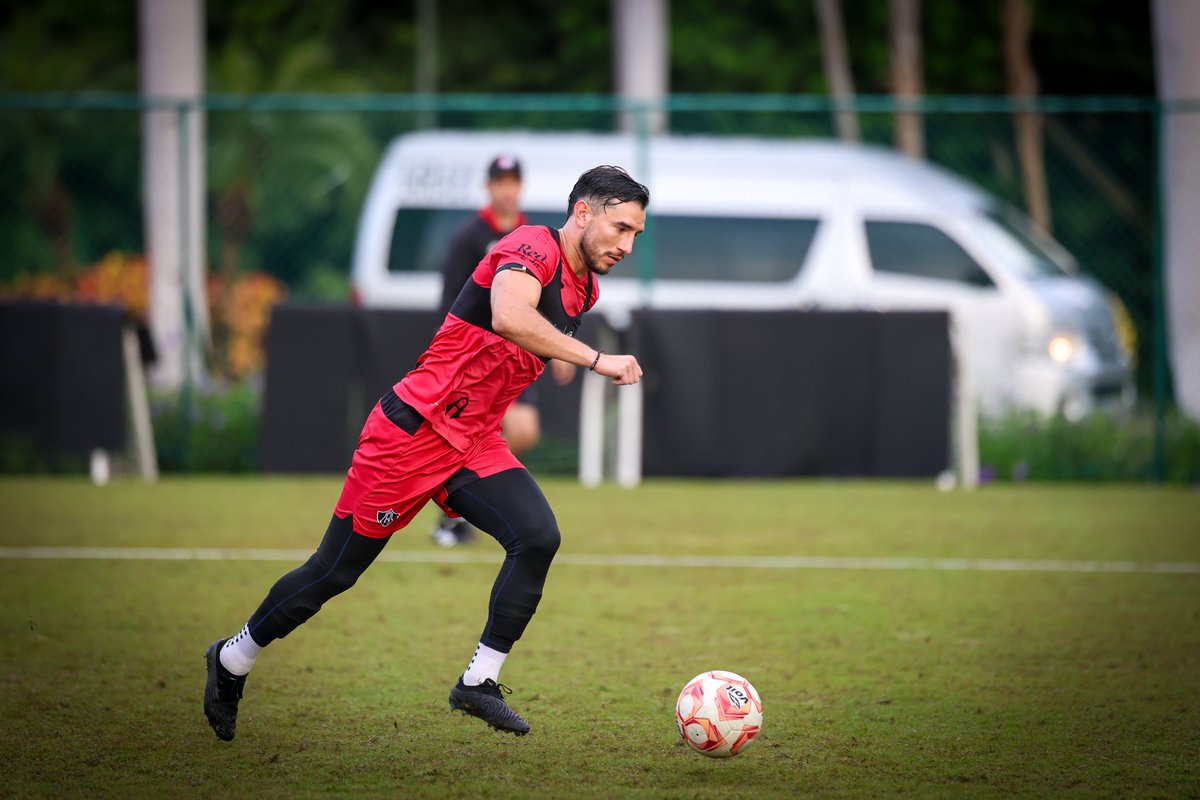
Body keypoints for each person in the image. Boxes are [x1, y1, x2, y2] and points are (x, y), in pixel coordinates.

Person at [204, 165, 650, 741]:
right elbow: (509, 315)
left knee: (538, 535)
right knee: (333, 573)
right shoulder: (529, 246)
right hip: (411, 434)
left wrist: (561, 356)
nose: (626, 245)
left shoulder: (585, 285)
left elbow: (533, 335)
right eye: (620, 228)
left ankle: (478, 682)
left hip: (474, 441)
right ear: (583, 213)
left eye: (636, 234)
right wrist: (595, 358)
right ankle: (232, 659)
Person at [432, 154, 575, 547]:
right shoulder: (469, 236)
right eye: (500, 182)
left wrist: (560, 348)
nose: (507, 189)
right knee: (481, 437)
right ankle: (454, 510)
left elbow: (547, 301)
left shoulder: (535, 235)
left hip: (518, 356)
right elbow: (450, 300)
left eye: (513, 182)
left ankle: (460, 494)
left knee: (523, 431)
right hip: (477, 358)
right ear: (489, 187)